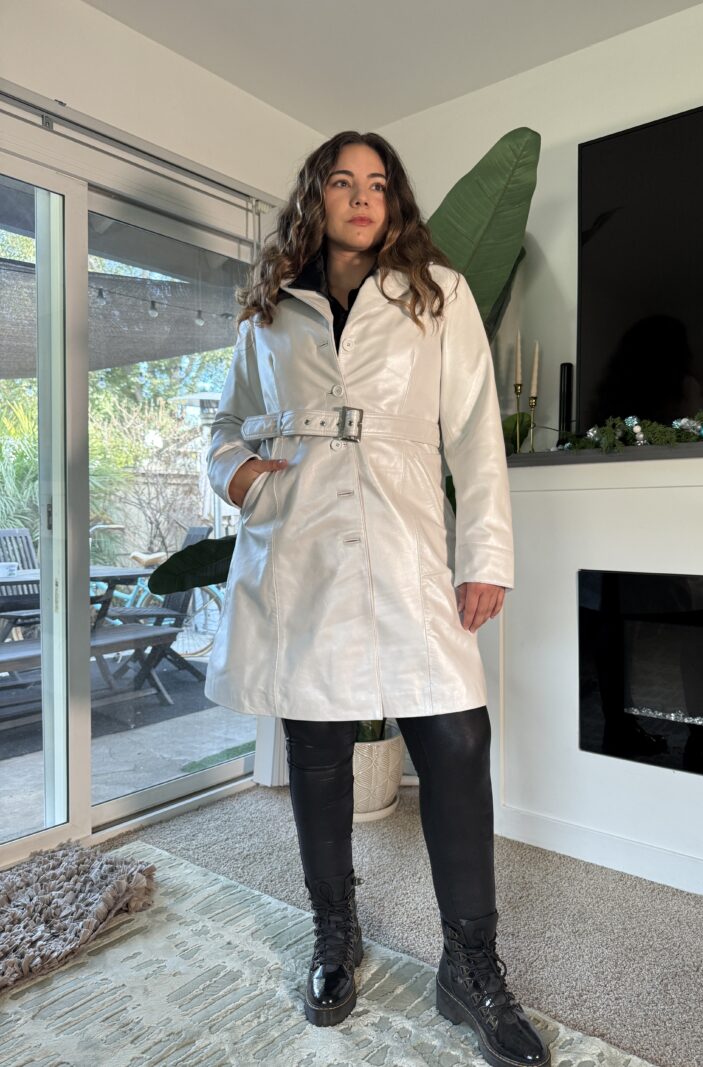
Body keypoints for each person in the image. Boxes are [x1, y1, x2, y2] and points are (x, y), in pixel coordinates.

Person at [205, 131, 550, 1067]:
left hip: (405, 540)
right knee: (317, 744)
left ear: (395, 201)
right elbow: (224, 422)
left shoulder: (437, 295)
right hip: (301, 539)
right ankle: (336, 934)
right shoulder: (270, 309)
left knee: (456, 737)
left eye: (379, 183)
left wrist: (484, 553)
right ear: (317, 198)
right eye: (343, 182)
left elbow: (476, 432)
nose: (363, 196)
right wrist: (238, 475)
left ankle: (469, 966)